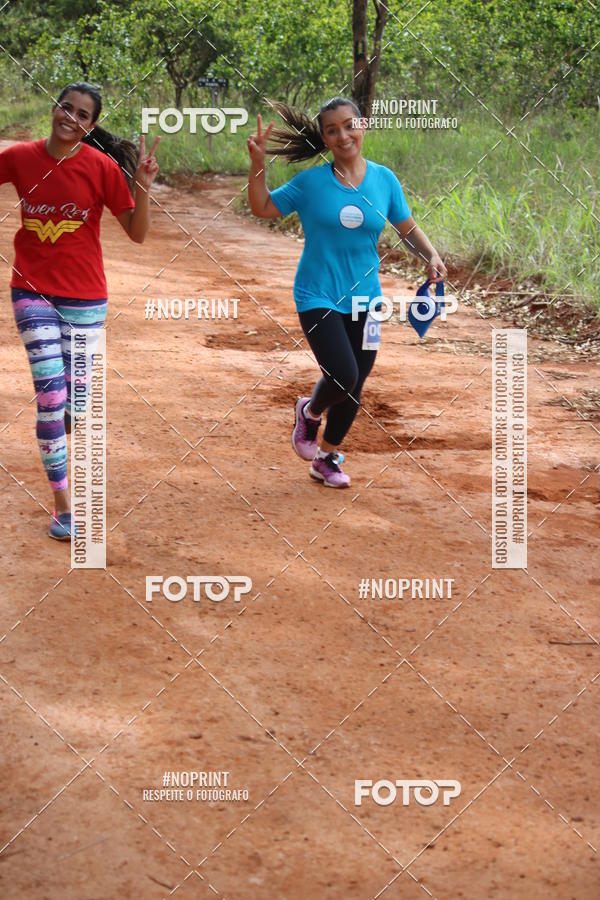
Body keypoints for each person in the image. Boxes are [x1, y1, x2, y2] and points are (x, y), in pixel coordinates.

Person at [247, 97, 447, 487]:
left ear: (363, 125)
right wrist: (257, 165)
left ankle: (326, 458)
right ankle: (309, 411)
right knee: (342, 373)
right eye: (332, 130)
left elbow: (406, 228)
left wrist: (431, 254)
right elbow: (263, 208)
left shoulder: (384, 180)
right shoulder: (311, 183)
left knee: (356, 384)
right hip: (317, 293)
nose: (343, 135)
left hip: (366, 299)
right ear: (324, 138)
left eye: (348, 125)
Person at [0, 82, 160, 539]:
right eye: (65, 107)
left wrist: (142, 188)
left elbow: (137, 233)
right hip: (31, 291)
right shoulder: (20, 157)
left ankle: (69, 410)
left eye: (83, 114)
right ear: (54, 109)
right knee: (51, 400)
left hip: (86, 298)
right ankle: (63, 504)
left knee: (79, 404)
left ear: (91, 125)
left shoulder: (101, 168)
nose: (71, 117)